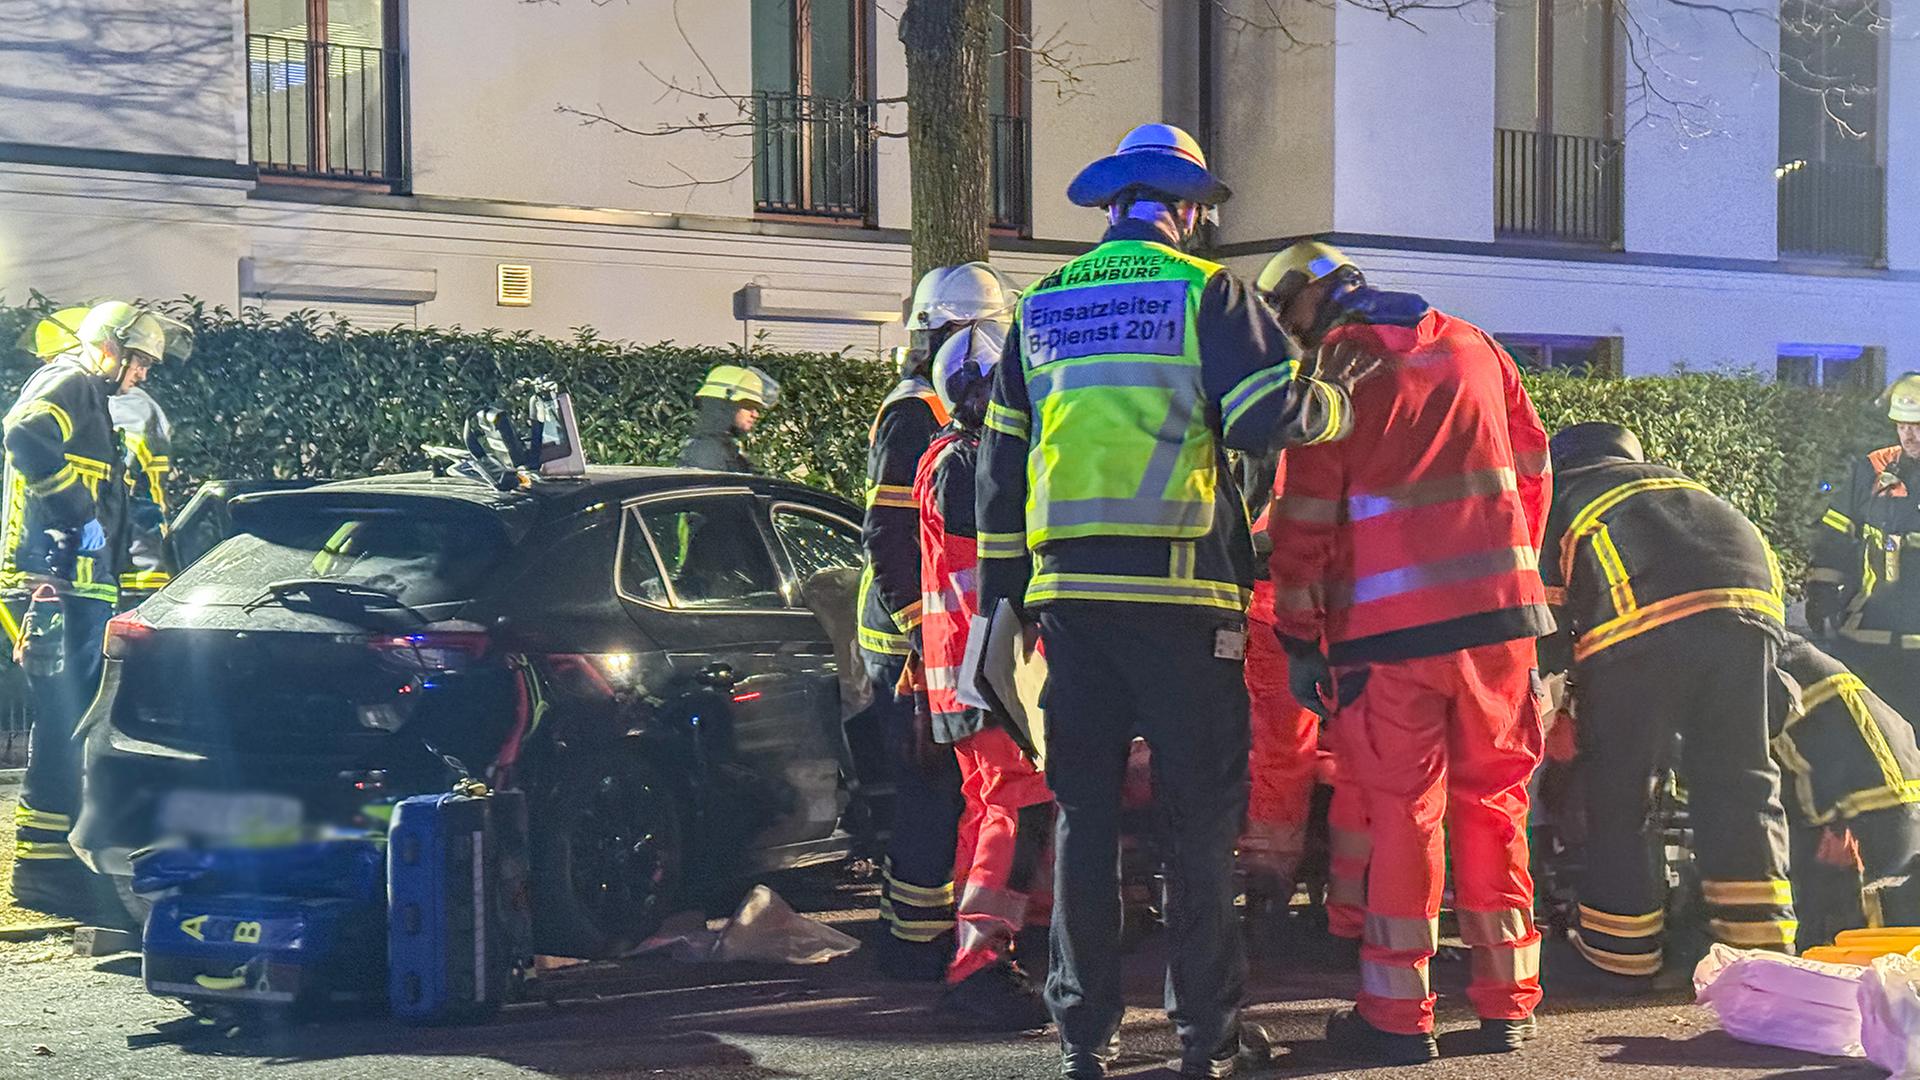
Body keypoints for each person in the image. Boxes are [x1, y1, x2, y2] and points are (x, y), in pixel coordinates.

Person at [976, 124, 1366, 1080]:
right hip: (1184, 600)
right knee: (1198, 825)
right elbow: (1264, 416)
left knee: (1084, 820)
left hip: (1070, 604)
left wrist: (1003, 603)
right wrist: (1335, 401)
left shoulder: (1041, 305)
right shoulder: (1207, 292)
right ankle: (1205, 1037)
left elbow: (999, 469)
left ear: (1113, 205)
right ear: (1186, 212)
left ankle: (1083, 1037)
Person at [1261, 240, 1553, 1064]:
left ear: (1309, 299)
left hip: (1388, 636)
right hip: (1499, 625)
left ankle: (1398, 1016)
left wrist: (1299, 636)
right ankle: (1508, 1005)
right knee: (1496, 805)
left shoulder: (1336, 377)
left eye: (1287, 315)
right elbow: (1533, 467)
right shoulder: (1474, 343)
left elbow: (1304, 516)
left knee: (1404, 816)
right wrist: (1512, 577)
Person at [1540, 423, 1796, 979]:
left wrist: (1552, 708)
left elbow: (1548, 615)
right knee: (1741, 778)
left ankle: (1621, 955)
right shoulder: (1681, 485)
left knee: (1624, 785)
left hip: (1639, 626)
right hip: (1751, 614)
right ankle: (1759, 950)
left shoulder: (1560, 494)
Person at [4, 301, 186, 919]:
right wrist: (76, 513)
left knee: (70, 728)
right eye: (138, 361)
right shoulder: (73, 382)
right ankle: (42, 874)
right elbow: (24, 434)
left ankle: (53, 866)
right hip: (52, 590)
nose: (142, 374)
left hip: (75, 589)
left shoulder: (93, 402)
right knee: (62, 729)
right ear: (108, 347)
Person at [862, 262, 1014, 979]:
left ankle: (917, 934)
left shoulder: (933, 407)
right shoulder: (918, 412)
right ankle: (914, 944)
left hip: (928, 639)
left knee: (941, 793)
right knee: (931, 793)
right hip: (913, 643)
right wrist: (923, 640)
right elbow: (887, 533)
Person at [913, 323, 1053, 1030]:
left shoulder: (948, 455)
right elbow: (991, 571)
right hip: (992, 668)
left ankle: (985, 955)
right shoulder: (969, 463)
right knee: (1015, 810)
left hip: (968, 671)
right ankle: (980, 964)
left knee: (990, 810)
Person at [1768, 630, 1920, 945]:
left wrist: (1831, 820)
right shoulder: (1787, 655)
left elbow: (1822, 748)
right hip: (1892, 789)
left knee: (1875, 926)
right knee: (1885, 921)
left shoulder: (1767, 664)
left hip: (1865, 799)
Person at [1234, 449, 1326, 920]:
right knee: (1287, 745)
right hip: (1294, 595)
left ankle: (1265, 874)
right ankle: (1271, 875)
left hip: (1255, 591)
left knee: (1272, 744)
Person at [1806, 372, 1920, 725]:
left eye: (1918, 426)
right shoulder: (1872, 470)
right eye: (1902, 426)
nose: (1909, 436)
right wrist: (1821, 590)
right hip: (1870, 634)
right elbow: (1836, 532)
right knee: (1869, 732)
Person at [110, 385, 174, 603]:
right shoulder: (142, 407)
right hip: (148, 560)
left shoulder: (127, 409)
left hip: (135, 565)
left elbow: (119, 480)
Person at [677, 363, 779, 473]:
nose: (755, 414)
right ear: (723, 406)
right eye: (748, 406)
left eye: (757, 408)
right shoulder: (707, 452)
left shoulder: (721, 448)